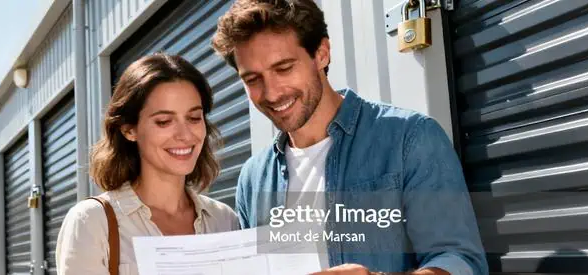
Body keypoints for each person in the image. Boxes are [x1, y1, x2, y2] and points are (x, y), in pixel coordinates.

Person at [211, 1, 488, 275]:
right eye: (252, 79)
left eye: (283, 68)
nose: (271, 93)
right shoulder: (252, 179)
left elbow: (462, 261)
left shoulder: (410, 138)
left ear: (321, 54)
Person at [54, 53, 239, 274]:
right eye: (164, 121)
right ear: (129, 130)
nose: (185, 135)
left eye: (194, 118)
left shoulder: (224, 220)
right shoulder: (92, 222)